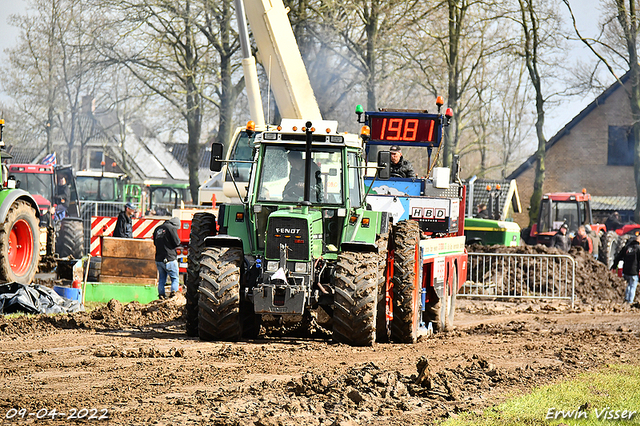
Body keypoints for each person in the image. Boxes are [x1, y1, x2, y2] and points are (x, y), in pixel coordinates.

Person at [153, 217, 181, 299]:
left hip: (159, 259)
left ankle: (161, 297)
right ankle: (174, 298)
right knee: (175, 279)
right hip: (169, 259)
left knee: (161, 280)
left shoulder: (157, 228)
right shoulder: (171, 228)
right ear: (175, 225)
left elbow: (155, 242)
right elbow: (177, 242)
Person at [611, 234, 640, 304]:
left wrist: (614, 267)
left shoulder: (626, 248)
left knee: (628, 285)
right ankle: (630, 301)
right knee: (633, 286)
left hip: (626, 270)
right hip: (634, 271)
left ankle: (626, 299)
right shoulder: (638, 248)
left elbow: (618, 257)